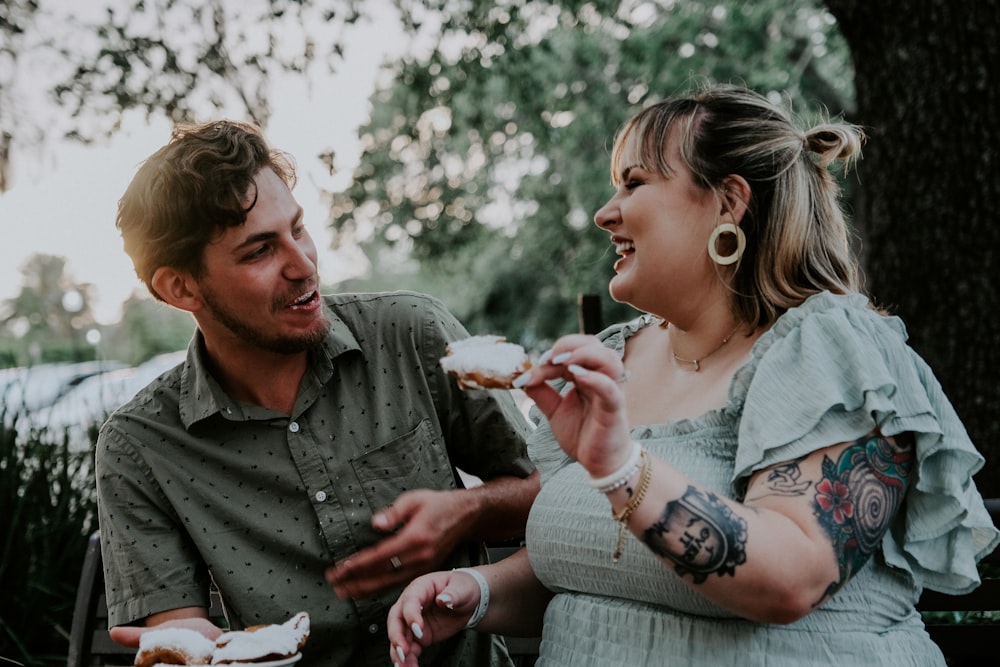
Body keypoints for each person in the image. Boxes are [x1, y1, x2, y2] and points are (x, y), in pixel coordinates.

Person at [385, 84, 1000, 666]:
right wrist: (477, 591)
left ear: (728, 201)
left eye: (634, 183)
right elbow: (594, 565)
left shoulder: (831, 349)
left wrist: (621, 469)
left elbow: (791, 578)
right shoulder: (614, 358)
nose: (605, 213)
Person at [94, 119, 539, 667]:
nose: (304, 265)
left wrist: (467, 510)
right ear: (180, 287)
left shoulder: (413, 334)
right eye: (259, 251)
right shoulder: (139, 445)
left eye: (298, 229)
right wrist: (199, 652)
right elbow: (179, 628)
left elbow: (552, 495)